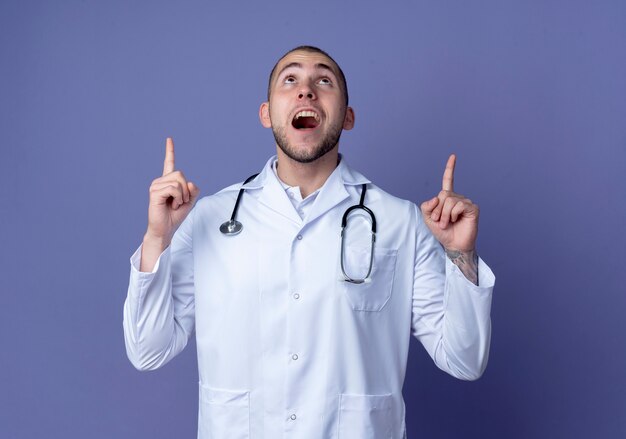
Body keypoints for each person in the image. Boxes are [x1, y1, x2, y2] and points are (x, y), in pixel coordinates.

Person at [123, 45, 495, 439]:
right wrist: (157, 237)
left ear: (347, 117)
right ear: (266, 113)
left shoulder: (400, 222)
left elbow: (465, 359)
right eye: (290, 80)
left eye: (324, 80)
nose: (306, 91)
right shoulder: (210, 219)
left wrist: (460, 254)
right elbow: (149, 350)